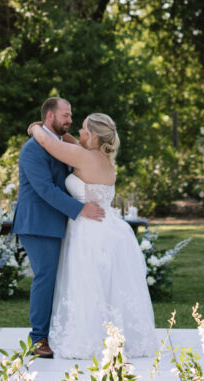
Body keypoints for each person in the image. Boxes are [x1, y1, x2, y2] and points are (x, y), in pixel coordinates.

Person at [29, 111, 157, 359]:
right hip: (109, 229)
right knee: (107, 288)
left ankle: (88, 340)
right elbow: (74, 144)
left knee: (86, 285)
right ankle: (115, 337)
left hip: (88, 231)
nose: (79, 131)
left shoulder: (83, 157)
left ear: (95, 135)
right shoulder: (104, 160)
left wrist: (35, 127)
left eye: (84, 128)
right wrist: (65, 134)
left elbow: (47, 142)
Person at [11, 97, 105, 359]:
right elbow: (44, 189)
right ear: (50, 117)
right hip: (38, 224)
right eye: (66, 115)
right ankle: (38, 338)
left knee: (63, 279)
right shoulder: (32, 149)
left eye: (71, 115)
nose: (70, 120)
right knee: (46, 279)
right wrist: (80, 209)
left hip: (60, 222)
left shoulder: (58, 143)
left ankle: (59, 333)